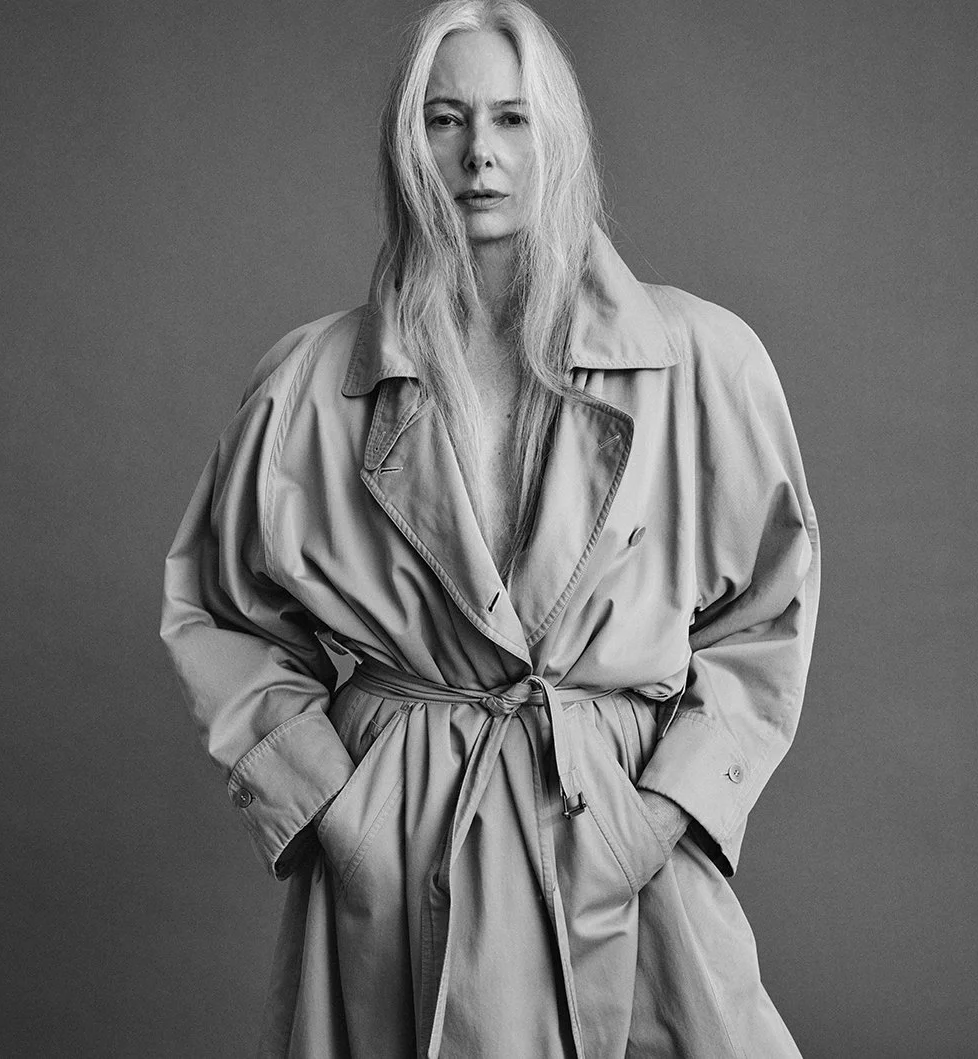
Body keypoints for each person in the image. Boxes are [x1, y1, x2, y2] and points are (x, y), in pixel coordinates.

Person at [161, 1, 820, 1055]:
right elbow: (220, 611)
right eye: (446, 119)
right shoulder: (310, 384)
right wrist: (338, 811)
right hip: (403, 851)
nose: (480, 155)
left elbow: (766, 612)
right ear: (406, 144)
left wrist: (662, 812)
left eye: (513, 118)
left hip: (616, 837)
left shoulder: (703, 362)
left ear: (559, 139)